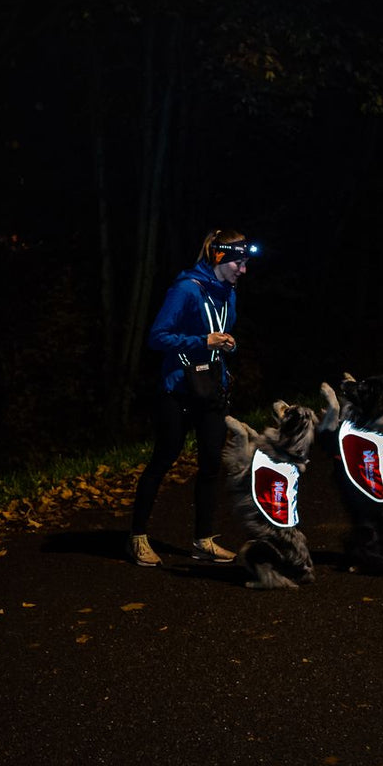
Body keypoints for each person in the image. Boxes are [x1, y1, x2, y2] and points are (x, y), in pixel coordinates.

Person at [128, 229, 258, 567]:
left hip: (212, 388)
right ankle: (138, 537)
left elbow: (223, 336)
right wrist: (202, 341)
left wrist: (229, 344)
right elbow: (158, 337)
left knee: (211, 464)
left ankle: (203, 540)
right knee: (164, 459)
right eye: (239, 263)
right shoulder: (186, 288)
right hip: (179, 389)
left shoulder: (228, 292)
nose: (243, 270)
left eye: (245, 264)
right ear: (220, 258)